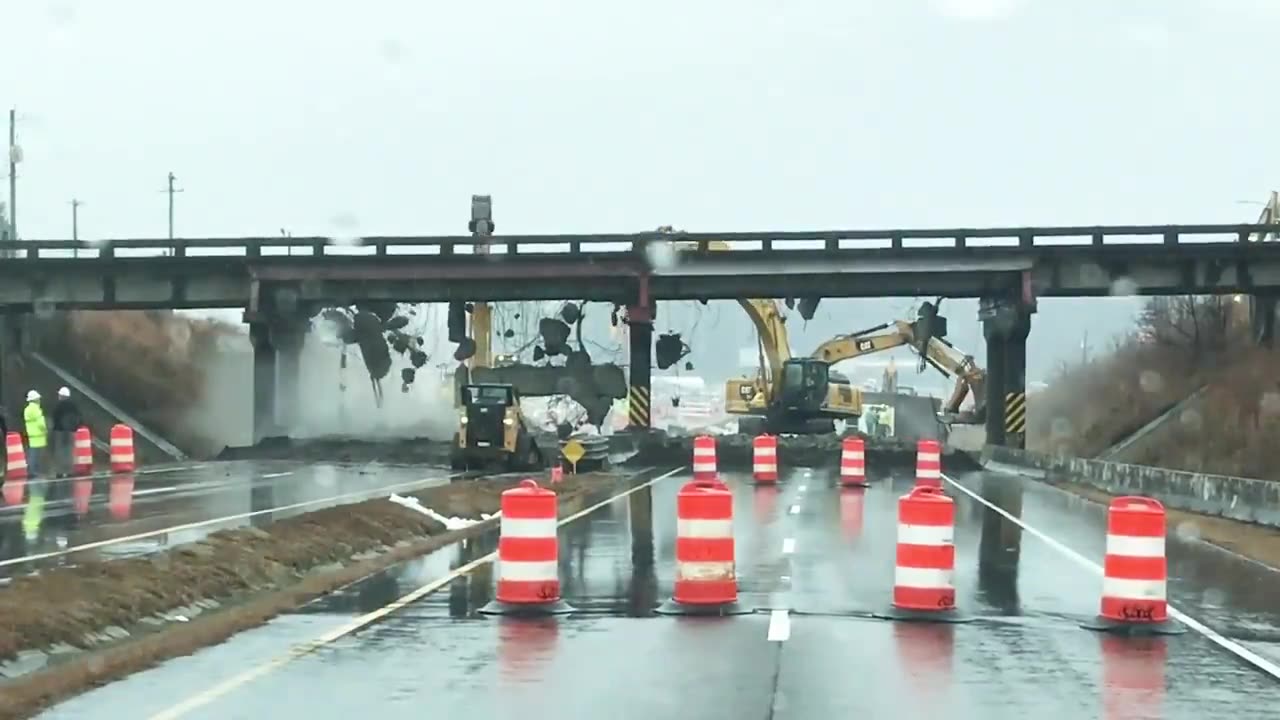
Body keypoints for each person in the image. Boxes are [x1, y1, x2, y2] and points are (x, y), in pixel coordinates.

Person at [50, 387, 81, 478]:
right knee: (69, 452)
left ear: (61, 396)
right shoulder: (73, 406)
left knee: (60, 452)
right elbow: (78, 417)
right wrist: (75, 428)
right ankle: (69, 471)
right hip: (71, 431)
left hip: (59, 432)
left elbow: (54, 418)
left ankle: (60, 472)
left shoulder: (58, 406)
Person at [23, 390, 48, 478]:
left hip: (32, 435)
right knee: (35, 455)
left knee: (33, 454)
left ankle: (32, 471)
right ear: (35, 399)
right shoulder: (35, 409)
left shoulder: (27, 409)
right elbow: (40, 422)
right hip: (38, 435)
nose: (39, 400)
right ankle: (33, 471)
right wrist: (45, 430)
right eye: (38, 399)